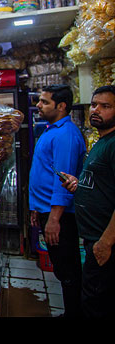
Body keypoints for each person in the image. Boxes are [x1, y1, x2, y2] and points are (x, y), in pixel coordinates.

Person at [28, 84, 86, 317]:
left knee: (69, 271)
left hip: (61, 216)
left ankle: (75, 314)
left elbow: (63, 181)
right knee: (63, 270)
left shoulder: (66, 135)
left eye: (45, 102)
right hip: (46, 210)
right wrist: (35, 208)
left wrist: (54, 219)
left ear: (61, 106)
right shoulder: (52, 129)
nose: (39, 105)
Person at [60, 85, 115, 318]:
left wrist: (106, 242)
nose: (96, 110)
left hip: (104, 241)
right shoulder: (102, 142)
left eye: (106, 106)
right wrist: (78, 184)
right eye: (94, 105)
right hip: (94, 238)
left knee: (96, 305)